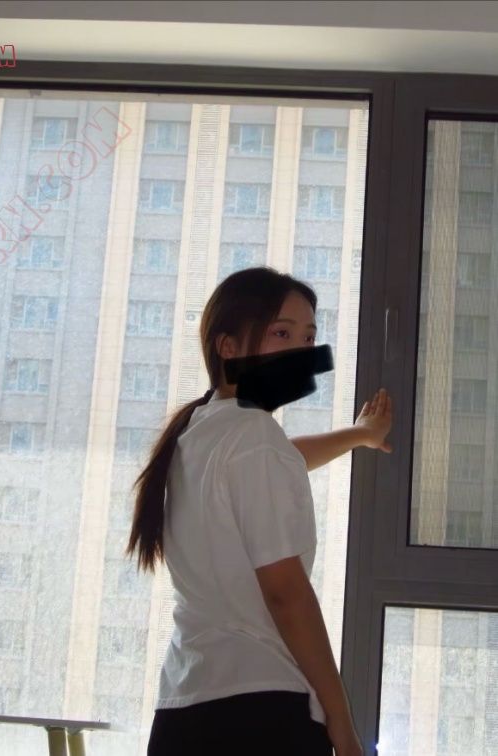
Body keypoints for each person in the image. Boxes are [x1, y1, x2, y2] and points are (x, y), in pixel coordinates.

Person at [125, 266, 393, 755]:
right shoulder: (253, 437)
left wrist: (359, 436)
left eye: (308, 337)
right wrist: (341, 720)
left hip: (183, 712)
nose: (302, 351)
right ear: (228, 347)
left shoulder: (200, 430)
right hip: (260, 712)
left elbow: (285, 458)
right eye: (282, 333)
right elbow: (286, 594)